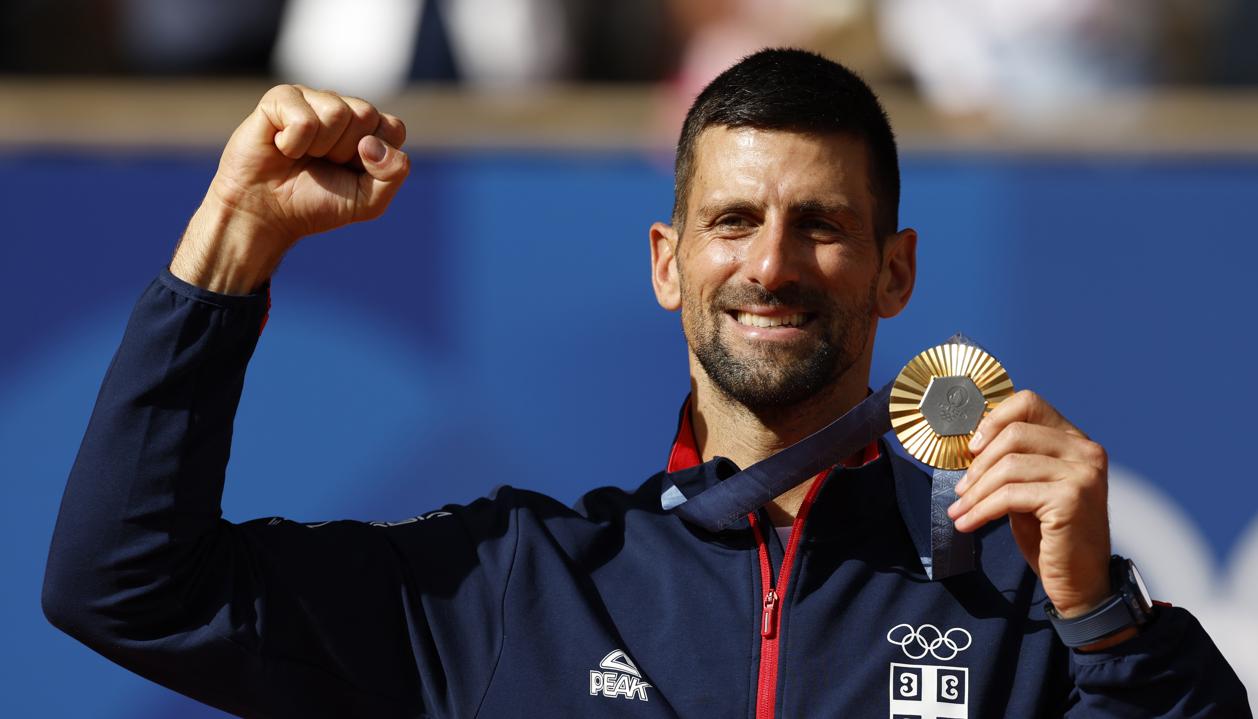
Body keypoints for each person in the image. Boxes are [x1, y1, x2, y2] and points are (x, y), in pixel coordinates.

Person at [43, 49, 1247, 717]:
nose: (771, 263)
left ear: (894, 271)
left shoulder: (1016, 612)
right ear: (669, 264)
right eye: (732, 220)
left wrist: (1100, 615)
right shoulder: (514, 586)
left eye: (820, 225)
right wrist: (230, 247)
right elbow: (127, 585)